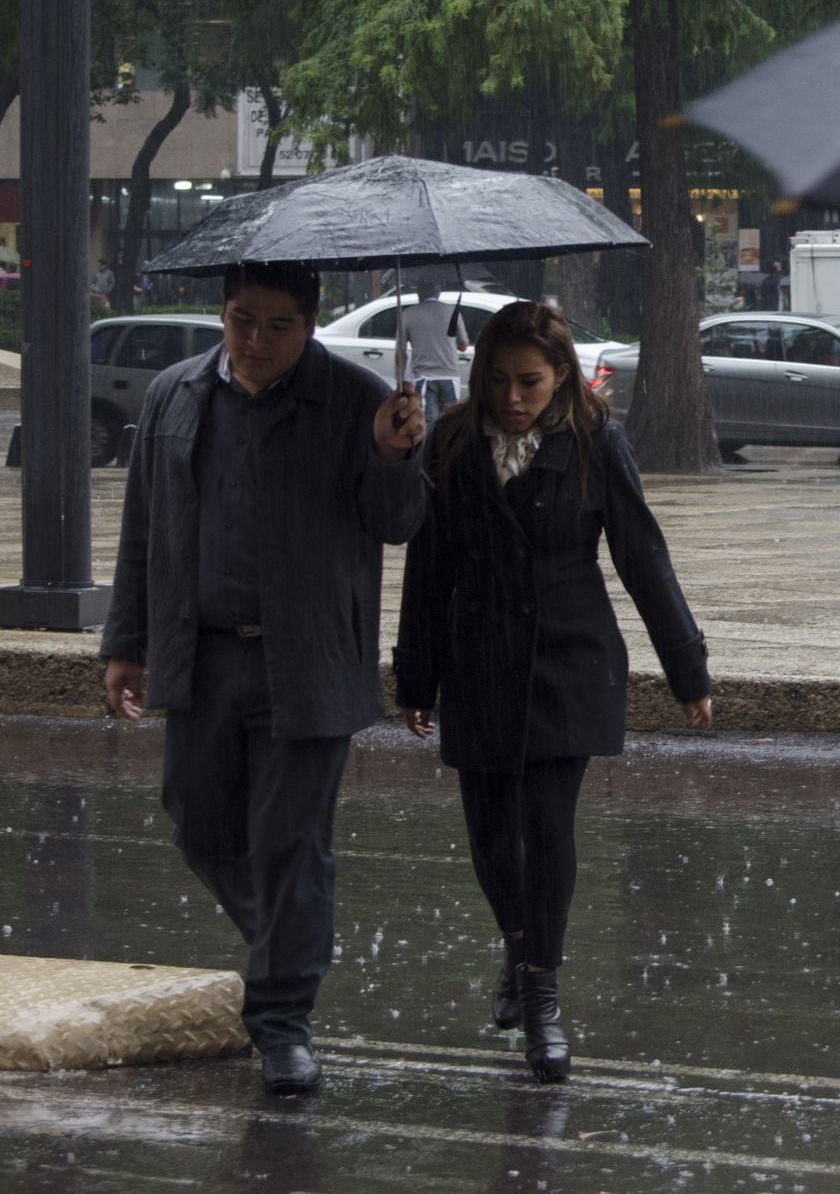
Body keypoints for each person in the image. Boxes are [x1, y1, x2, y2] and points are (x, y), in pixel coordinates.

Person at [101, 261, 428, 1096]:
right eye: (243, 319)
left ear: (311, 324)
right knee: (198, 824)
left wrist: (396, 455)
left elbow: (396, 524)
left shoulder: (356, 400)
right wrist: (125, 641)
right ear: (223, 312)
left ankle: (283, 1021)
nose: (255, 340)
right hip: (203, 653)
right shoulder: (177, 394)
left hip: (310, 657)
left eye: (278, 326)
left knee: (289, 842)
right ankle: (290, 943)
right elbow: (145, 525)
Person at [394, 300, 713, 1084]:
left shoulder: (596, 440)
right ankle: (517, 943)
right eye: (499, 380)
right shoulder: (451, 439)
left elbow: (643, 554)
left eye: (530, 381)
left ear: (561, 374)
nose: (513, 397)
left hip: (569, 658)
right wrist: (416, 675)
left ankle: (542, 993)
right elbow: (428, 567)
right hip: (478, 659)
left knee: (547, 827)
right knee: (491, 837)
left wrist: (687, 669)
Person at [400, 281, 470, 423]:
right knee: (450, 422)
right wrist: (445, 343)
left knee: (429, 423)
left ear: (419, 293)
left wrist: (401, 380)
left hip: (424, 378)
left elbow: (400, 354)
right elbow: (463, 345)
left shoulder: (407, 314)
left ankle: (431, 445)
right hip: (450, 376)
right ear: (438, 293)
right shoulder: (452, 311)